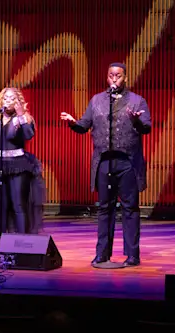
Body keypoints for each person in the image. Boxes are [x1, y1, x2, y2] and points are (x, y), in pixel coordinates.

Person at [60, 63, 151, 268]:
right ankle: (102, 253)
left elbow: (146, 128)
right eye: (111, 75)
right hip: (104, 162)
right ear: (107, 77)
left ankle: (132, 255)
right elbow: (84, 125)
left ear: (125, 78)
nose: (114, 79)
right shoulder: (97, 100)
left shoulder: (137, 101)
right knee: (104, 208)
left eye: (118, 76)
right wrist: (73, 123)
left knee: (130, 208)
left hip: (128, 162)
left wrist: (136, 121)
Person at [0, 87, 46, 241]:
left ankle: (21, 243)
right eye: (5, 97)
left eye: (12, 98)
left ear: (18, 101)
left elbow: (28, 135)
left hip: (17, 165)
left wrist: (21, 115)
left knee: (18, 205)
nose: (8, 100)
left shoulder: (23, 118)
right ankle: (1, 244)